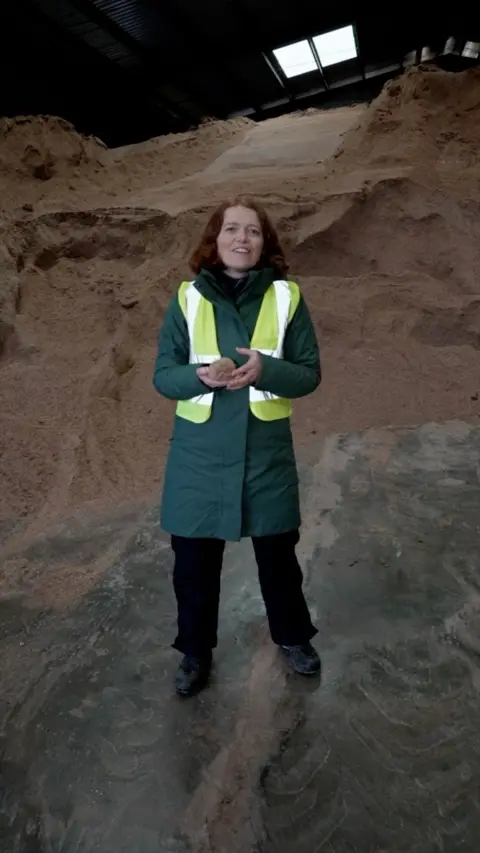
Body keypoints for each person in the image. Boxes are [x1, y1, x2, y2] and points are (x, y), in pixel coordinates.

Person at [153, 196, 322, 697]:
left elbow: (310, 373)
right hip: (199, 455)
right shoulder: (187, 298)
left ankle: (293, 637)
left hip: (265, 452)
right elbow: (164, 375)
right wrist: (200, 376)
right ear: (216, 239)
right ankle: (194, 651)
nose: (242, 239)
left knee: (278, 557)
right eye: (232, 229)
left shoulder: (288, 298)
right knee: (193, 564)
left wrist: (266, 370)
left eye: (252, 231)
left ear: (264, 243)